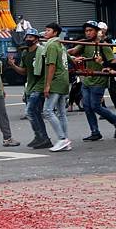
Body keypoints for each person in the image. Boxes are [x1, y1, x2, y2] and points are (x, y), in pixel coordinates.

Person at [69, 20, 116, 142]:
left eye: (90, 31)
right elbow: (72, 51)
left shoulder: (103, 45)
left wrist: (106, 66)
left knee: (95, 106)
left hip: (99, 80)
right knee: (87, 107)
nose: (88, 33)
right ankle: (95, 132)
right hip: (86, 79)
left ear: (97, 31)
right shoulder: (84, 43)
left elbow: (114, 63)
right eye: (86, 31)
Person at [8, 28, 52, 149]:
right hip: (30, 86)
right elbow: (24, 72)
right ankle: (42, 138)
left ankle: (41, 137)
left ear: (36, 39)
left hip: (40, 85)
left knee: (30, 112)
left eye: (31, 37)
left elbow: (50, 68)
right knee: (36, 113)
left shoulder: (42, 51)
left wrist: (47, 85)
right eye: (27, 37)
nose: (28, 39)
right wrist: (13, 66)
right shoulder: (25, 53)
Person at [40, 23, 72, 152]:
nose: (45, 32)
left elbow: (51, 65)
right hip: (64, 80)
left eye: (48, 30)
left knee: (47, 111)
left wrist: (47, 84)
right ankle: (65, 140)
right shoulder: (61, 45)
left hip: (56, 81)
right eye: (45, 30)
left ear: (55, 33)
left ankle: (62, 139)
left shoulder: (52, 45)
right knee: (61, 113)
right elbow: (68, 59)